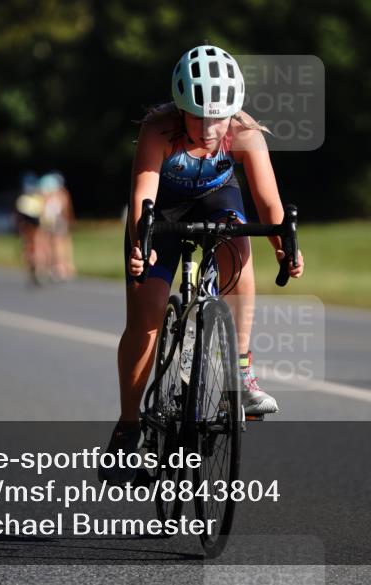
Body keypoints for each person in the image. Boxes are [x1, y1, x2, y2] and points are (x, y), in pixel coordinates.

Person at [100, 44, 304, 483]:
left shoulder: (245, 132)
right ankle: (128, 429)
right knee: (147, 318)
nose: (210, 129)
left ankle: (241, 375)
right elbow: (142, 197)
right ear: (180, 109)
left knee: (238, 240)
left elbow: (269, 203)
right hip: (161, 210)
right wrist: (140, 245)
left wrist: (284, 248)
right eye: (198, 117)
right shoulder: (158, 129)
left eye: (219, 118)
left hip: (216, 201)